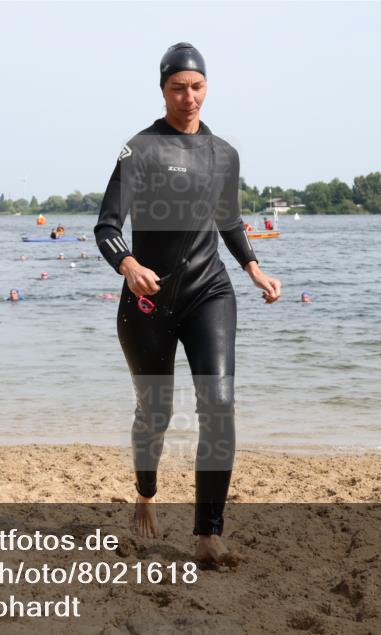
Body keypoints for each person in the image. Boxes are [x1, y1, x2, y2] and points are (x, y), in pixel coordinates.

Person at [94, 43, 281, 565]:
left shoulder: (224, 153)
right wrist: (127, 266)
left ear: (207, 88)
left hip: (209, 292)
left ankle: (208, 534)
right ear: (163, 90)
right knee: (155, 412)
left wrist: (253, 267)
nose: (189, 96)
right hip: (149, 300)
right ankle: (146, 492)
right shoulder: (140, 149)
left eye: (197, 86)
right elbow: (107, 226)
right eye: (179, 87)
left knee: (218, 405)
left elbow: (228, 220)